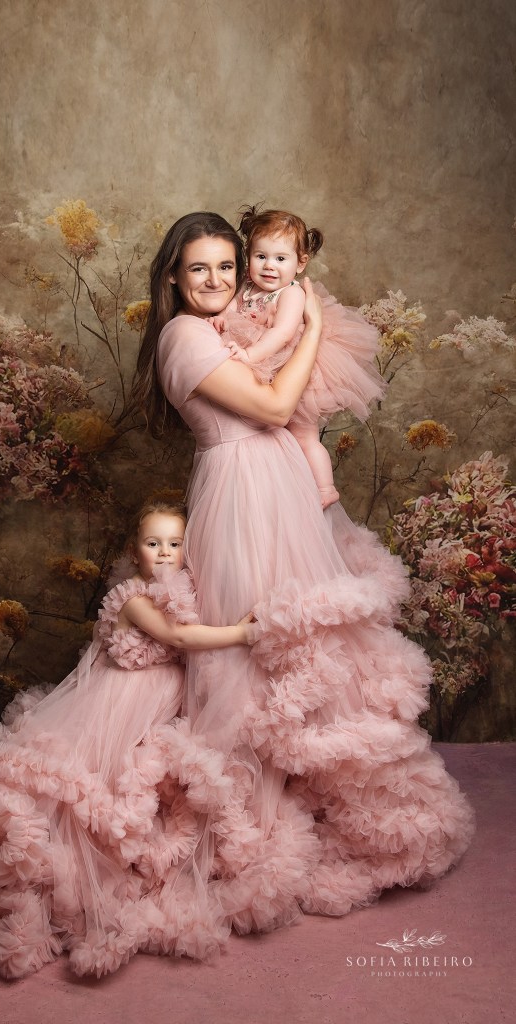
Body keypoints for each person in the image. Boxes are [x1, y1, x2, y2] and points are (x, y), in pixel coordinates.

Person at [131, 211, 475, 948]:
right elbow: (274, 405)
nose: (217, 281)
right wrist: (311, 328)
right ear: (172, 277)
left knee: (300, 649)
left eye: (227, 266)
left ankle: (304, 808)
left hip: (276, 482)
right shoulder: (184, 335)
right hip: (241, 491)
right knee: (251, 655)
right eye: (198, 268)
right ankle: (240, 834)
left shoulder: (225, 324)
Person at [0, 501, 255, 979]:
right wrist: (241, 633)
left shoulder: (183, 592)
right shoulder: (134, 600)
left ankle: (127, 868)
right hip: (117, 708)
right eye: (153, 543)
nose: (164, 553)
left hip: (156, 712)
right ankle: (41, 877)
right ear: (134, 551)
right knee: (81, 790)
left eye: (174, 544)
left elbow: (194, 626)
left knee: (144, 792)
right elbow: (181, 637)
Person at [210, 207, 386, 507]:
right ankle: (286, 486)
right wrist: (221, 318)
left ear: (300, 263)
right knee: (273, 436)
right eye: (261, 256)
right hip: (266, 372)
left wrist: (249, 354)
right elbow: (230, 308)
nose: (269, 266)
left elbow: (281, 334)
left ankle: (325, 488)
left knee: (304, 435)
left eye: (281, 259)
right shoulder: (246, 286)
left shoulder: (291, 294)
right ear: (248, 256)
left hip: (292, 369)